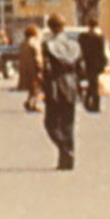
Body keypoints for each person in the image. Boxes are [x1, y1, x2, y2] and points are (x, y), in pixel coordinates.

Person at [38, 15, 82, 171]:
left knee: (51, 123)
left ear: (50, 27)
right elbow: (80, 68)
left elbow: (47, 68)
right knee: (68, 123)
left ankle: (64, 149)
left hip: (55, 84)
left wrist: (43, 86)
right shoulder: (74, 45)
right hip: (72, 83)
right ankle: (67, 160)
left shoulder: (48, 44)